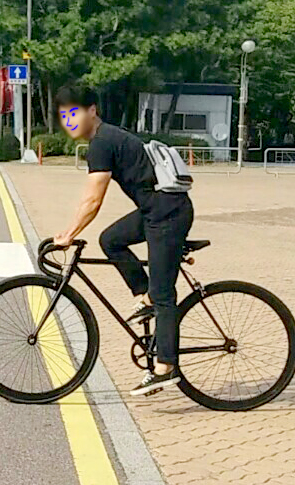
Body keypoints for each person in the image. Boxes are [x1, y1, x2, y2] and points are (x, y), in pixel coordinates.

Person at [54, 84, 194, 396]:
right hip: (156, 210)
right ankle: (144, 295)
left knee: (164, 294)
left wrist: (69, 233)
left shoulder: (102, 143)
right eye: (64, 116)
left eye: (74, 113)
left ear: (92, 111)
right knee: (111, 240)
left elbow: (93, 200)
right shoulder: (105, 138)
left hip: (168, 215)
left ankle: (166, 367)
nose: (69, 121)